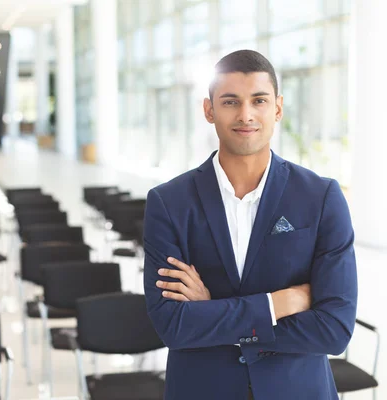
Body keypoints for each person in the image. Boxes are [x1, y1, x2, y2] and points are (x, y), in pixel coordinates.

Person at [142, 50, 357, 400]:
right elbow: (173, 326)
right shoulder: (169, 202)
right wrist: (276, 304)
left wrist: (213, 311)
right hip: (202, 390)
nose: (246, 115)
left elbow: (334, 329)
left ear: (278, 108)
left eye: (259, 100)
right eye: (230, 102)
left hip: (297, 390)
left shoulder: (321, 197)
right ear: (209, 110)